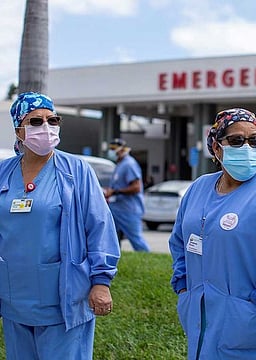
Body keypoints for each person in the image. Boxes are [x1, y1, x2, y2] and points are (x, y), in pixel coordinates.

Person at [169, 108, 256, 359]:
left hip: (254, 326)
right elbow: (180, 243)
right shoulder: (198, 189)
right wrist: (184, 287)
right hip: (201, 319)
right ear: (215, 147)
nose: (247, 147)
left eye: (255, 141)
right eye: (236, 140)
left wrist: (255, 303)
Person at [0, 92, 121, 359]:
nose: (46, 127)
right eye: (35, 121)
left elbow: (99, 226)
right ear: (19, 129)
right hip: (14, 299)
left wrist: (101, 281)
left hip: (64, 300)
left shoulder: (76, 170)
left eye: (52, 120)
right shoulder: (3, 172)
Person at [104, 139, 150, 252]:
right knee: (111, 240)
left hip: (129, 210)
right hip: (117, 209)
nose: (111, 152)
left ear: (121, 150)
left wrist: (115, 192)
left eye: (113, 150)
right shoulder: (120, 164)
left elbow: (136, 187)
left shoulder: (129, 164)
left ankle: (146, 258)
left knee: (136, 240)